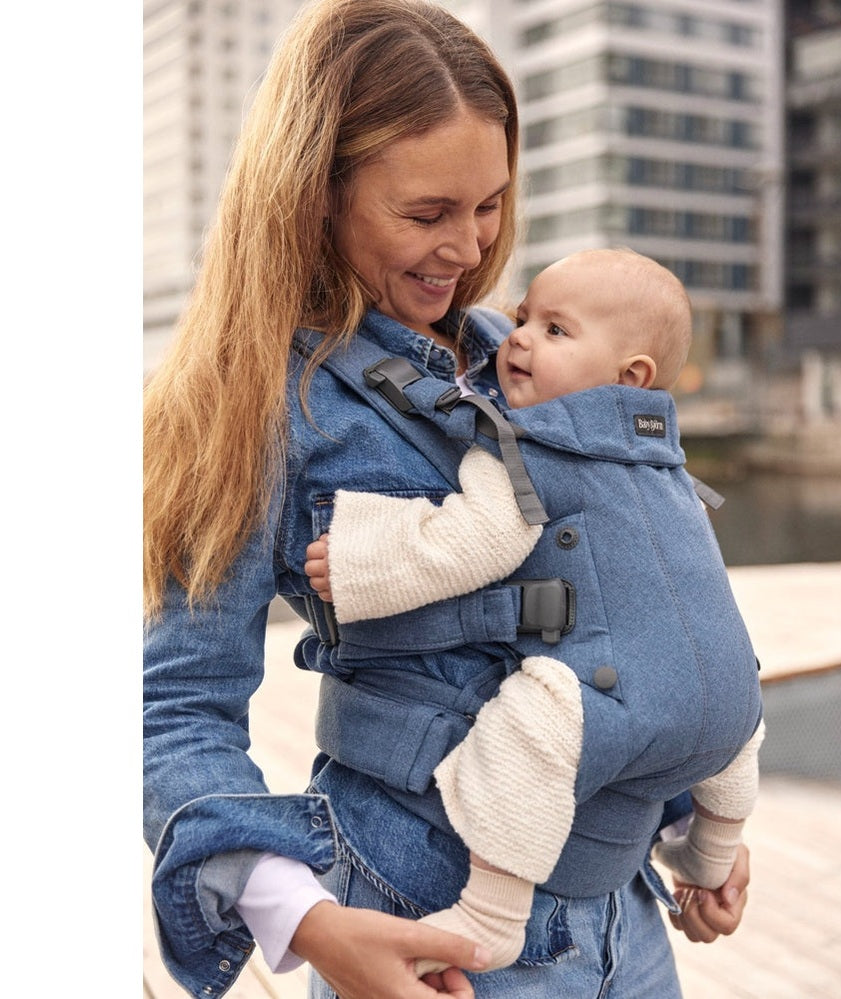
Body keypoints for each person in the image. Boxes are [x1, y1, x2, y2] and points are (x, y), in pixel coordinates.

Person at [142, 2, 753, 997]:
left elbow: (632, 602)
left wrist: (693, 818)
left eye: (490, 205)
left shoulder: (531, 360)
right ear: (315, 197)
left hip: (625, 928)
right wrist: (313, 925)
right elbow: (175, 712)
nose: (469, 249)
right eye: (426, 214)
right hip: (423, 936)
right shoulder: (248, 405)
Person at [302, 247, 765, 974]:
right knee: (729, 713)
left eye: (554, 330)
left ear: (629, 375)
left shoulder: (528, 443)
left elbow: (467, 539)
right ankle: (710, 856)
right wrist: (708, 843)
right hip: (734, 700)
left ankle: (490, 912)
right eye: (523, 318)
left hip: (613, 701)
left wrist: (361, 558)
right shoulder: (666, 459)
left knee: (526, 724)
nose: (516, 338)